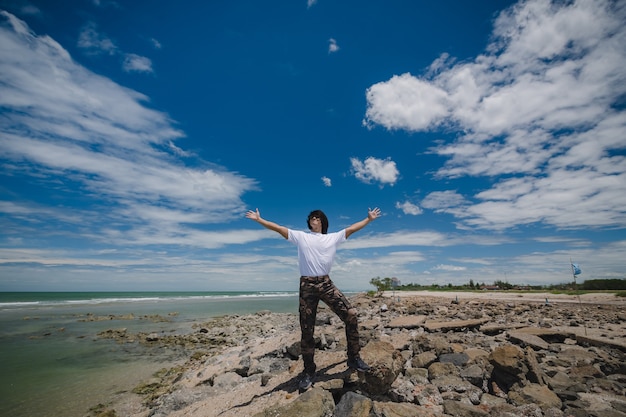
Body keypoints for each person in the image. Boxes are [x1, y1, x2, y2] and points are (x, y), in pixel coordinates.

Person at [245, 207, 381, 392]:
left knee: (351, 314)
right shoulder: (301, 237)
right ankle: (309, 372)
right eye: (311, 218)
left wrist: (369, 219)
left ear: (322, 221)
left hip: (326, 284)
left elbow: (352, 228)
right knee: (307, 329)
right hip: (307, 286)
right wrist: (260, 220)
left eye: (316, 218)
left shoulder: (332, 237)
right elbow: (278, 228)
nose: (312, 220)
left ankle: (354, 358)